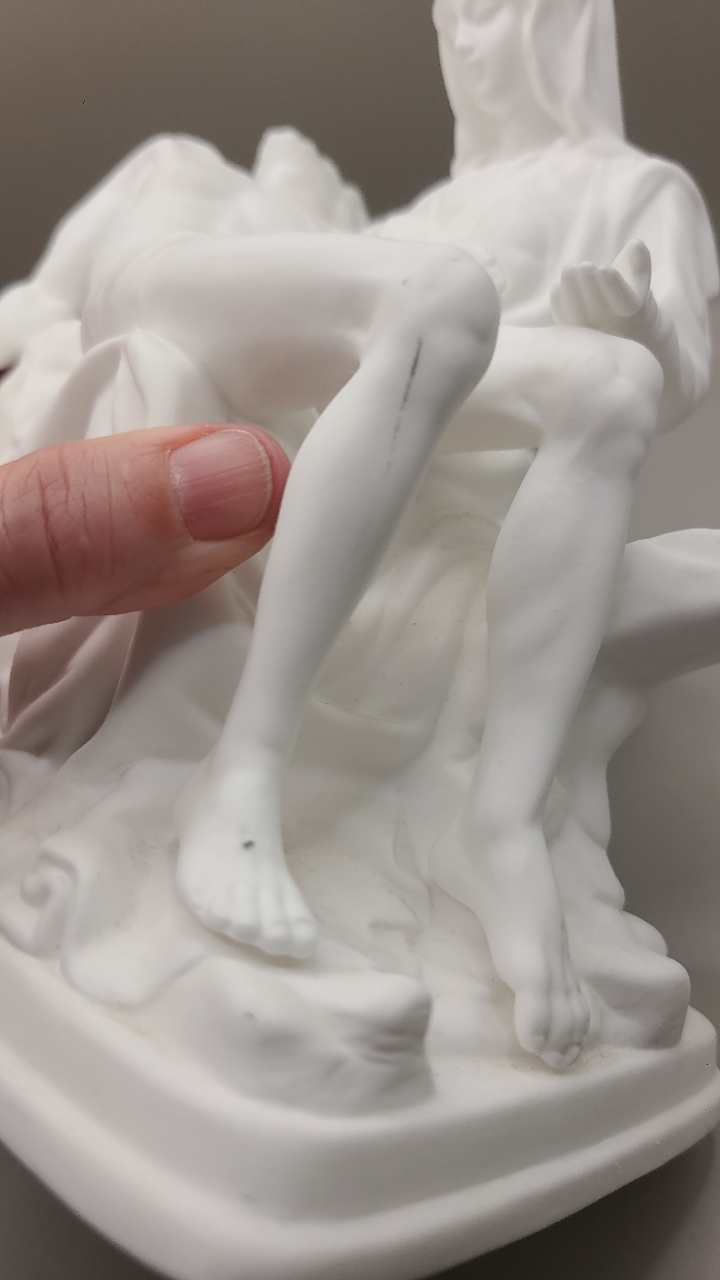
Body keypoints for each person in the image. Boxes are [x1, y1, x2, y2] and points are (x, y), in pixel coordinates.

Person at [0, 0, 715, 1071]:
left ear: (559, 27)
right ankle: (243, 767)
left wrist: (642, 328)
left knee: (613, 384)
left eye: (487, 15)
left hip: (410, 366)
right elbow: (365, 295)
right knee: (446, 295)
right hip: (181, 295)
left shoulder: (638, 187)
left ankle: (500, 821)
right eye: (451, 21)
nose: (461, 41)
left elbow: (680, 369)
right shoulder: (424, 207)